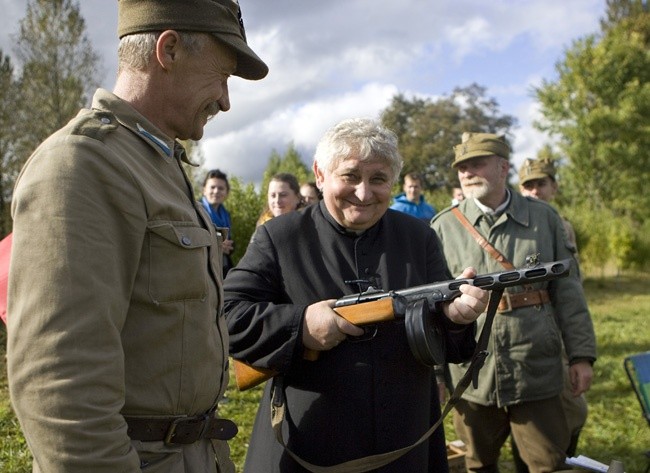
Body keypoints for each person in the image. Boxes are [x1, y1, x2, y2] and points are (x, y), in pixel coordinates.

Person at [6, 1, 268, 472]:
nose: (226, 100)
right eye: (222, 75)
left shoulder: (157, 163)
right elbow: (61, 389)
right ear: (168, 50)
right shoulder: (82, 165)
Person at [224, 118, 489, 472]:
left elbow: (443, 339)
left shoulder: (418, 236)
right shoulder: (280, 237)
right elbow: (226, 314)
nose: (364, 193)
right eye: (350, 176)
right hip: (308, 442)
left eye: (378, 179)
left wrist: (455, 320)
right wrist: (300, 325)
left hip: (404, 442)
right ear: (320, 175)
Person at [430, 133, 597, 473]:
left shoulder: (545, 218)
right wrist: (436, 374)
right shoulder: (442, 227)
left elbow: (568, 293)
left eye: (477, 163)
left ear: (503, 166)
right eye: (462, 166)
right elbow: (431, 311)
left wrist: (581, 355)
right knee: (478, 464)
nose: (467, 172)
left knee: (546, 464)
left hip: (536, 366)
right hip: (472, 372)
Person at [511, 157, 587, 472]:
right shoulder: (516, 222)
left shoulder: (559, 223)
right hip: (527, 332)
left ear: (554, 187)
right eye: (528, 184)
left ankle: (559, 456)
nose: (534, 190)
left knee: (574, 410)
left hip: (557, 328)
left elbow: (570, 285)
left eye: (541, 183)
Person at [201, 169, 236, 277]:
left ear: (226, 193)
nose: (216, 191)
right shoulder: (194, 211)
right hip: (202, 270)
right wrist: (217, 245)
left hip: (221, 268)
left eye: (221, 188)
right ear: (204, 190)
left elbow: (229, 241)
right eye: (212, 187)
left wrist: (230, 247)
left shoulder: (226, 215)